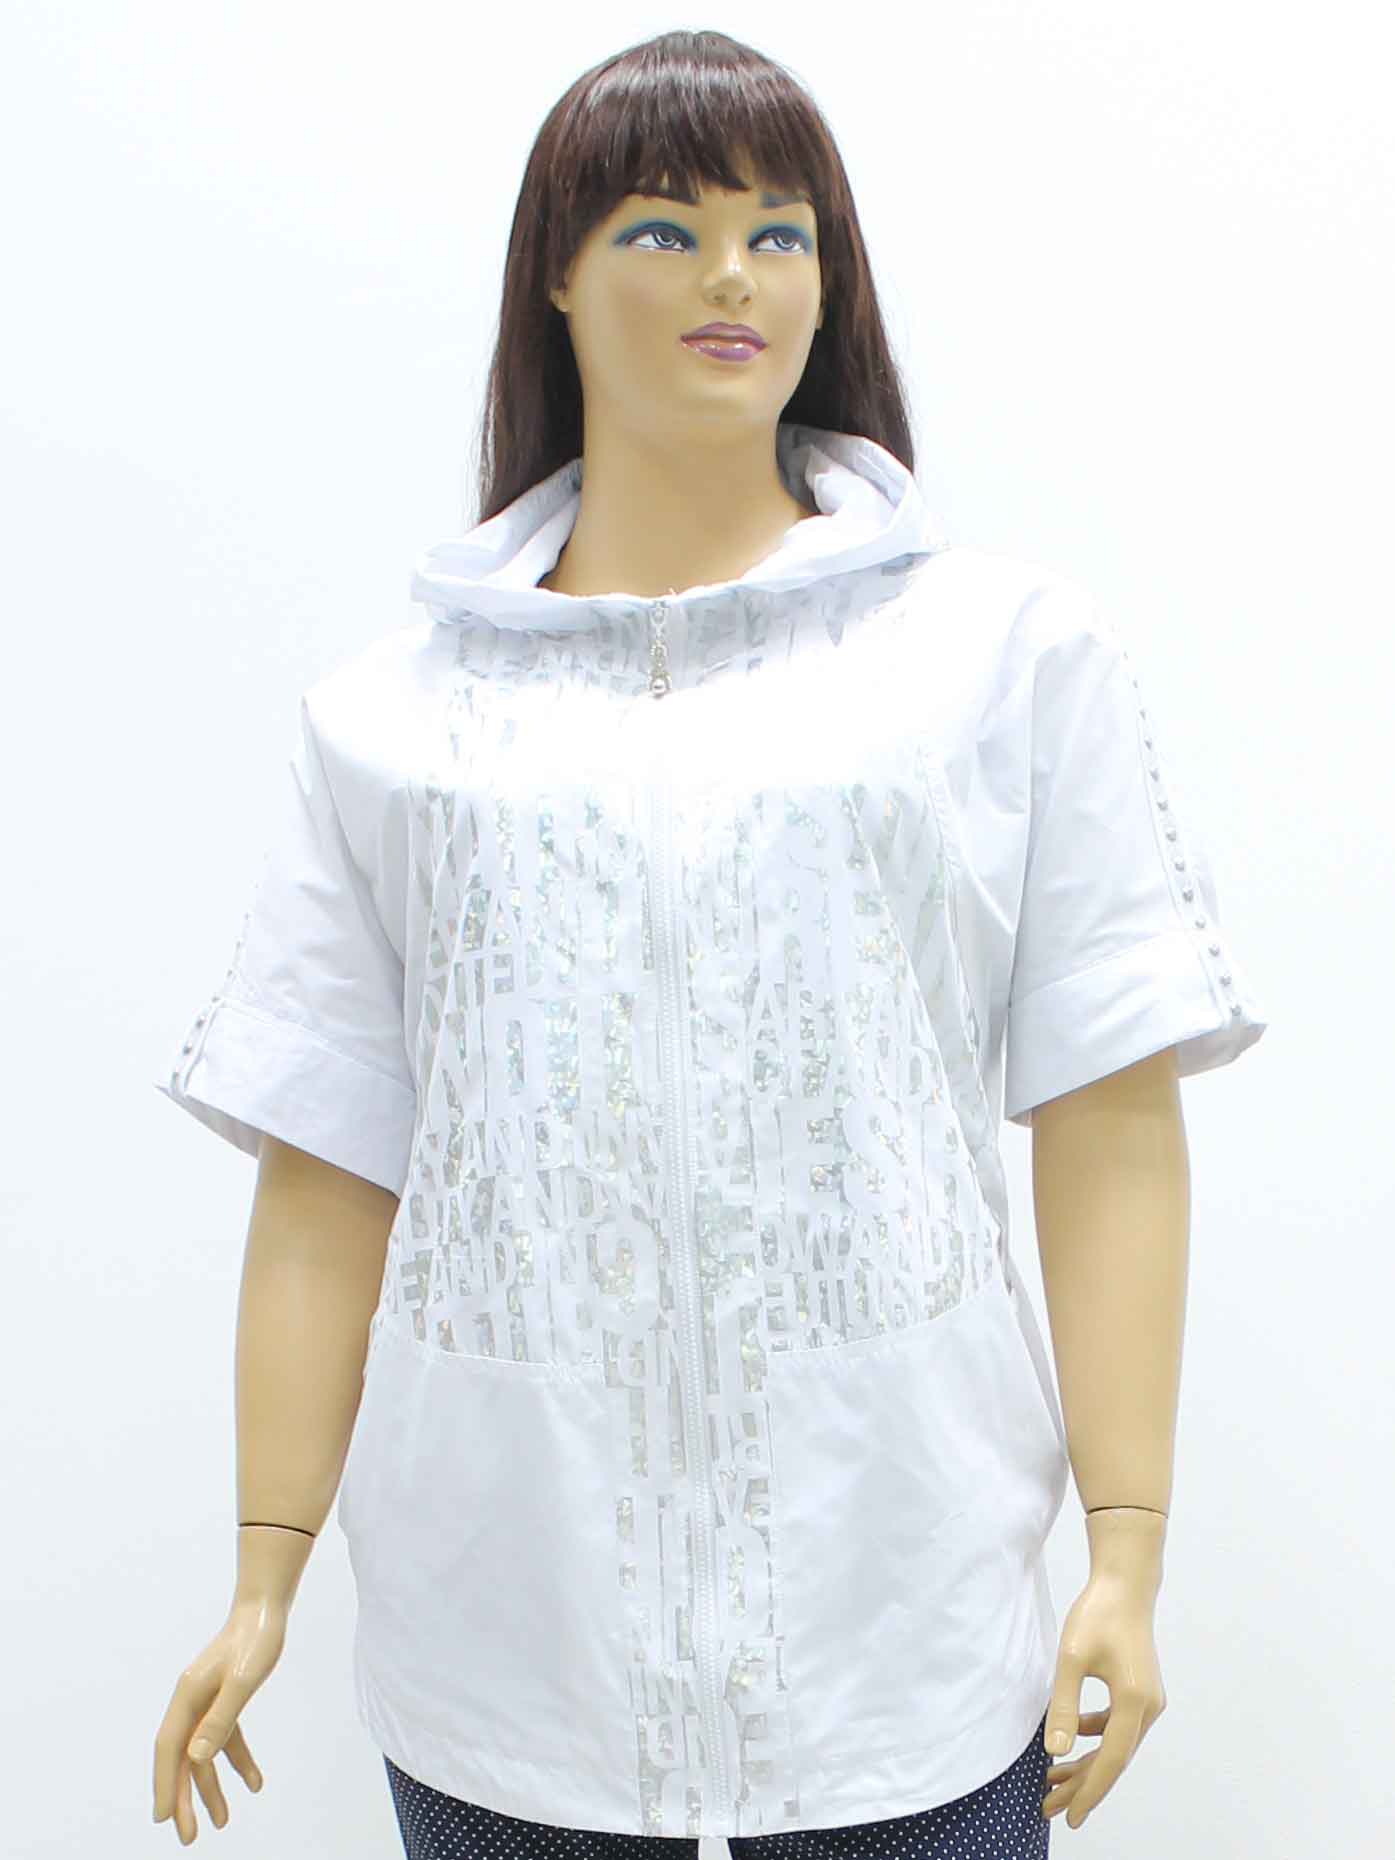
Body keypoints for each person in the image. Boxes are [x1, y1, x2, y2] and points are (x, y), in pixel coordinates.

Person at [149, 27, 1268, 1856]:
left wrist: (1128, 1548)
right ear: (557, 276)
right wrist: (263, 1570)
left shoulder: (997, 662)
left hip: (902, 1618)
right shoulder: (396, 719)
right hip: (507, 1641)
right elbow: (330, 1163)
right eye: (663, 229)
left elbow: (1109, 1103)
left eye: (780, 231)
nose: (732, 273)